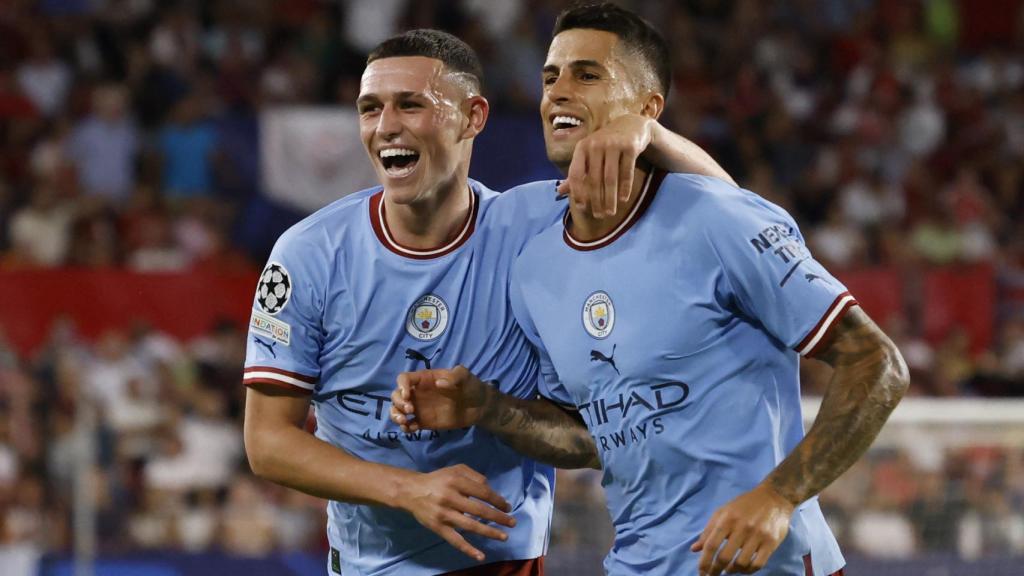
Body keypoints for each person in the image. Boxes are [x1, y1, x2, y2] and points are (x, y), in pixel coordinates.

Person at [390, 4, 910, 576]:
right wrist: (487, 408)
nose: (559, 91)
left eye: (587, 75)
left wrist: (779, 496)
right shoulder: (534, 267)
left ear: (647, 109)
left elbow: (877, 364)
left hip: (765, 566)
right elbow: (593, 438)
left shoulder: (716, 218)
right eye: (550, 76)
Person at [242, 29, 732, 576]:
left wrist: (650, 133)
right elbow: (267, 441)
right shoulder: (309, 253)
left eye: (411, 105)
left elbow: (732, 224)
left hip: (505, 563)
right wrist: (410, 491)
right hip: (366, 567)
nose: (386, 128)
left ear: (473, 117)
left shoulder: (540, 227)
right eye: (370, 108)